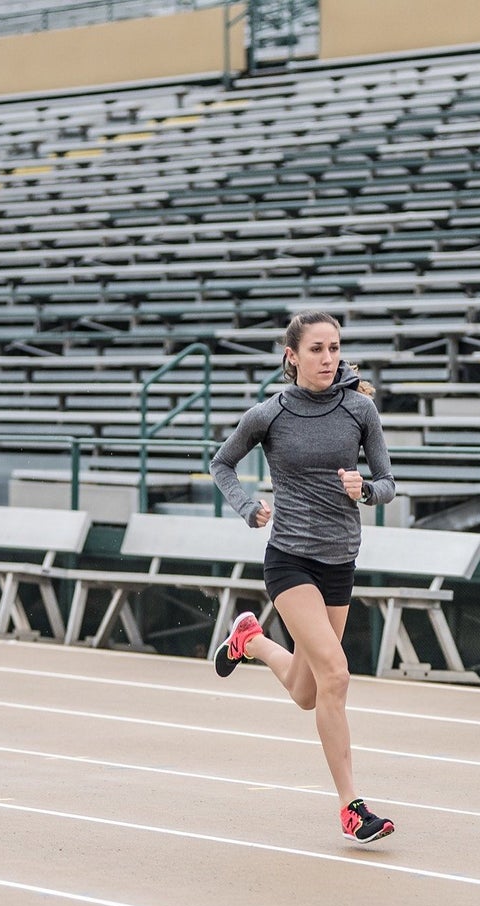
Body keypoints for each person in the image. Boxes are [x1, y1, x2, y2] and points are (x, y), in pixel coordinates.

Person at [208, 310, 397, 844]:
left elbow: (387, 484)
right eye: (316, 349)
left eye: (334, 348)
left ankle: (251, 642)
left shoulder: (359, 409)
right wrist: (248, 508)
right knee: (336, 674)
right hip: (290, 559)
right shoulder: (269, 414)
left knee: (307, 691)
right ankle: (352, 808)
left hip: (340, 561)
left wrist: (364, 489)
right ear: (292, 356)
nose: (327, 358)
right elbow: (222, 464)